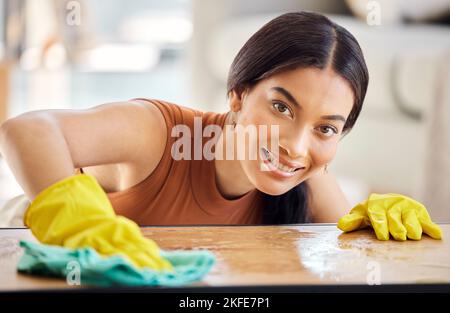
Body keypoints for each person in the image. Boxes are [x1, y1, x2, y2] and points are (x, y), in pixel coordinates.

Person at [0, 11, 367, 227]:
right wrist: (79, 226)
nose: (296, 147)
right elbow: (27, 130)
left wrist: (377, 232)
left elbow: (352, 266)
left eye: (326, 128)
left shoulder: (305, 181)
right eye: (281, 108)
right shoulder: (158, 134)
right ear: (238, 95)